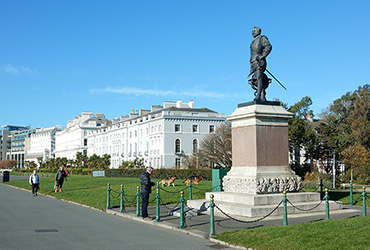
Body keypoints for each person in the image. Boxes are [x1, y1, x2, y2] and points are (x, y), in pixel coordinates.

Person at [249, 26, 272, 101]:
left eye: (254, 31)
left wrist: (262, 56)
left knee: (259, 78)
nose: (253, 32)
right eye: (252, 31)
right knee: (257, 78)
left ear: (258, 31)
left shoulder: (262, 38)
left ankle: (258, 95)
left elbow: (268, 47)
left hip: (260, 62)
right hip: (254, 62)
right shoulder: (253, 41)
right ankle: (262, 96)